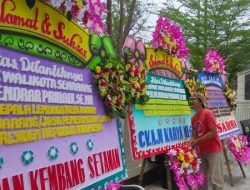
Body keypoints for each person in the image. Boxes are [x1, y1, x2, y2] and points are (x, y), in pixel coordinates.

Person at [189, 93, 224, 190]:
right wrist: (190, 144)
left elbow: (213, 132)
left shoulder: (208, 113)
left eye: (194, 99)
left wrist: (197, 141)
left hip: (214, 150)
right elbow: (194, 135)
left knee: (215, 178)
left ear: (200, 101)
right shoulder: (193, 118)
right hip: (202, 150)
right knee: (202, 177)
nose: (191, 101)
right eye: (190, 99)